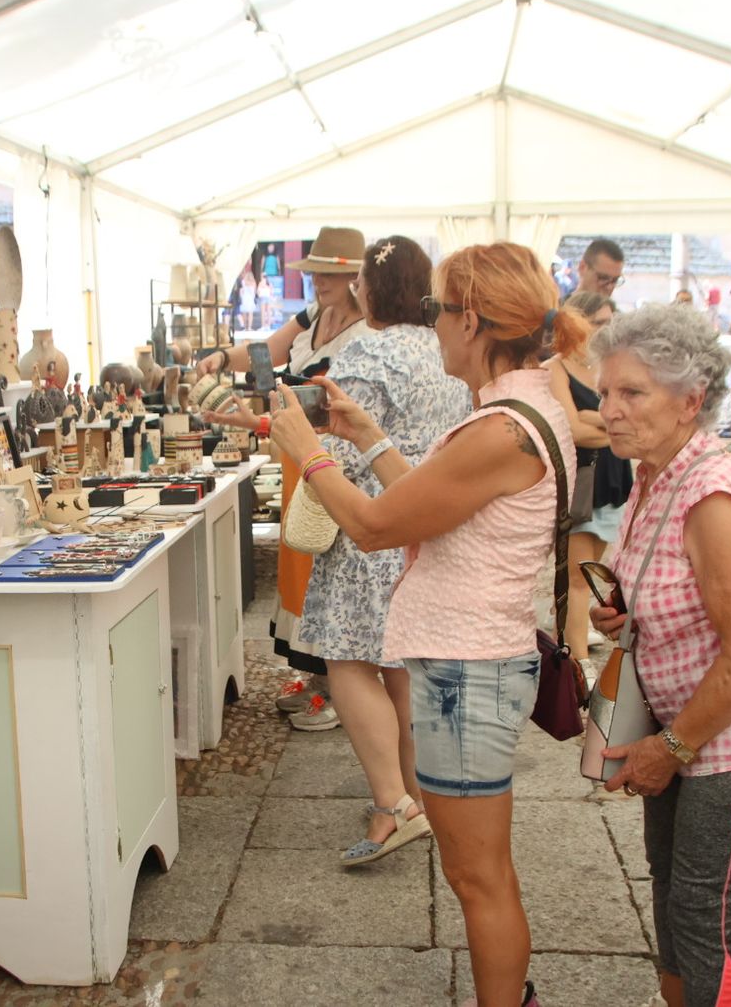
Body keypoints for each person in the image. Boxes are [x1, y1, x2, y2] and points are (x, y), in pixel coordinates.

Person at [268, 242, 583, 1007]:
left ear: (471, 320)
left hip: (468, 669)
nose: (432, 323)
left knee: (478, 879)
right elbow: (427, 506)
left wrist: (310, 455)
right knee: (479, 871)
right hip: (472, 661)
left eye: (441, 310)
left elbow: (376, 527)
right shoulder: (519, 409)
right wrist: (369, 434)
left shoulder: (501, 428)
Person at [208, 236, 471, 863]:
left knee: (349, 666)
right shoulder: (444, 352)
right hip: (418, 526)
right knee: (402, 674)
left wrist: (252, 425)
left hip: (363, 528)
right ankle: (418, 794)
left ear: (372, 288)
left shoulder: (369, 353)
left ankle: (393, 804)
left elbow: (331, 444)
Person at [588, 304, 731, 1007]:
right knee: (668, 886)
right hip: (683, 714)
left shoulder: (713, 493)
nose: (610, 410)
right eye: (605, 391)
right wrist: (626, 613)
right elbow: (669, 582)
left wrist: (671, 746)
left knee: (699, 905)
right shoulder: (654, 473)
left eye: (632, 393)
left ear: (690, 401)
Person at [196, 226, 371, 729]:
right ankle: (318, 677)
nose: (318, 282)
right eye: (314, 272)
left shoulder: (365, 334)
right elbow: (270, 351)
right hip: (296, 452)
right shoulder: (314, 315)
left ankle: (339, 683)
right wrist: (222, 357)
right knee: (301, 563)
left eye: (329, 274)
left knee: (329, 566)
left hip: (332, 458)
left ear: (357, 278)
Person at [547, 290, 630, 677]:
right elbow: (572, 429)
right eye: (599, 322)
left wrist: (593, 418)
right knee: (579, 577)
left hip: (613, 479)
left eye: (610, 321)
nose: (606, 330)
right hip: (581, 482)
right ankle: (576, 661)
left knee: (593, 571)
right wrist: (607, 424)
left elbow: (630, 421)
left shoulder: (610, 367)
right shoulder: (556, 368)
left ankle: (574, 648)